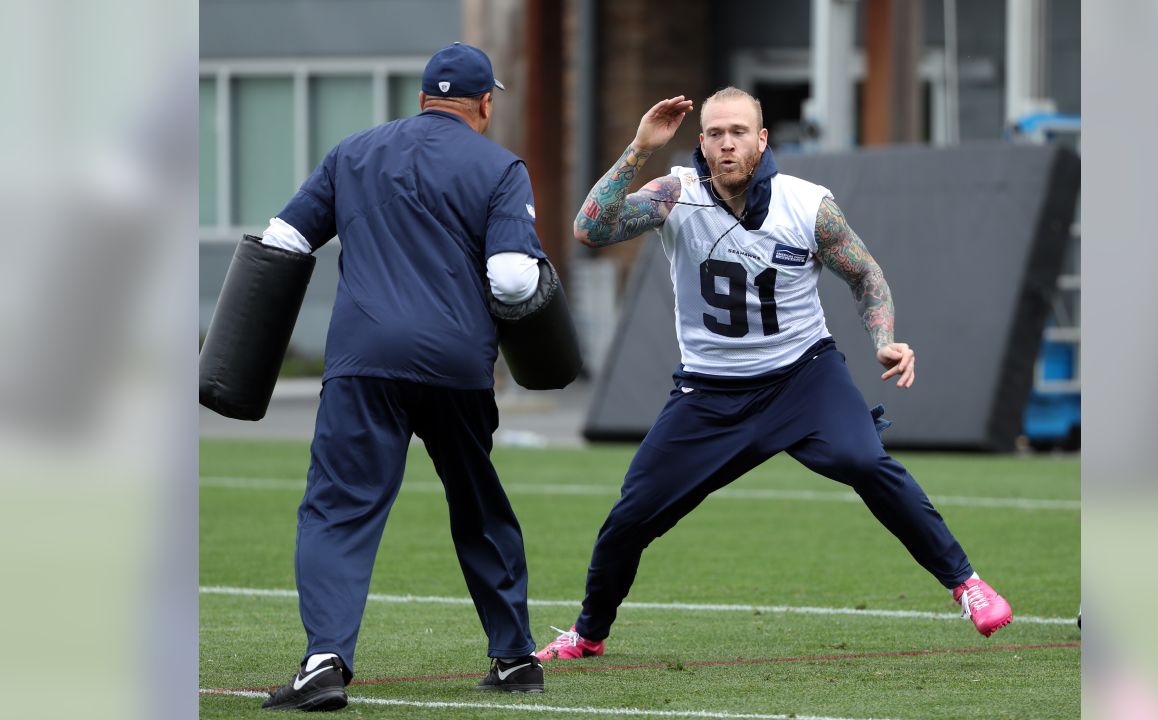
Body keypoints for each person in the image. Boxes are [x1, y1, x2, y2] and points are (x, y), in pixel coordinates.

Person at [535, 87, 1012, 662]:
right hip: (709, 392)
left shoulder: (806, 204)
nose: (727, 143)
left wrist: (884, 341)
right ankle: (589, 634)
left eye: (739, 131)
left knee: (866, 461)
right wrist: (639, 147)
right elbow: (591, 228)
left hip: (801, 379)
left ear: (762, 140)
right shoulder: (676, 195)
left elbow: (866, 275)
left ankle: (966, 582)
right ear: (702, 144)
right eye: (715, 133)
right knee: (632, 514)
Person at [258, 43, 548, 711]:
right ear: (484, 105)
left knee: (339, 508)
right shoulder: (501, 166)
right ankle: (514, 658)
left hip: (366, 362)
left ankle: (326, 660)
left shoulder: (352, 153)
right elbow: (511, 279)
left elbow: (283, 240)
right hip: (458, 363)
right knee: (478, 504)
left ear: (421, 99)